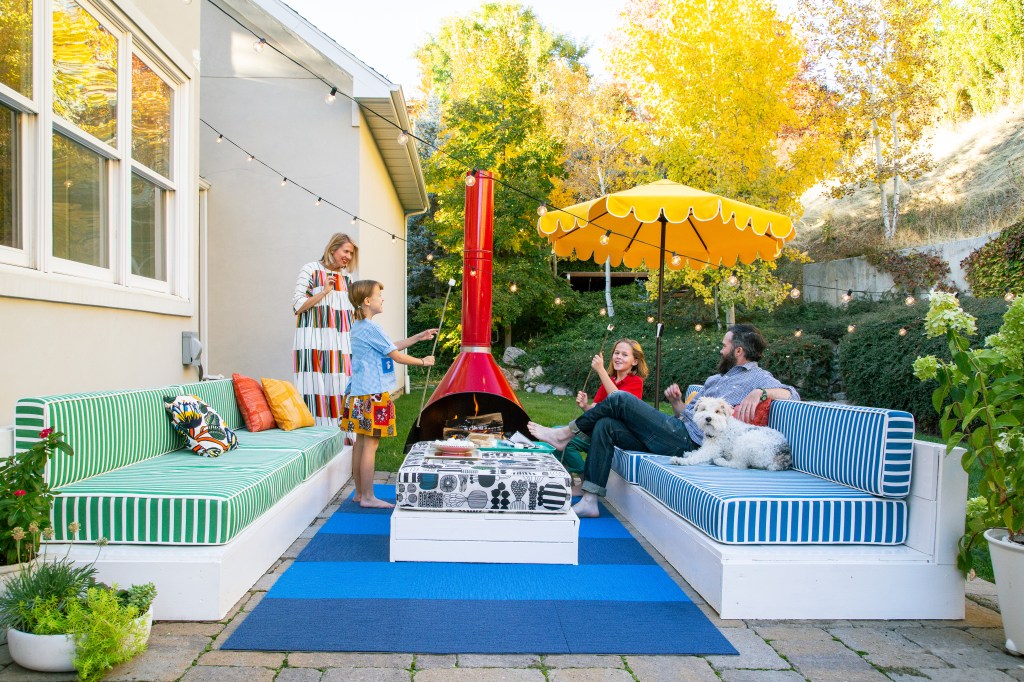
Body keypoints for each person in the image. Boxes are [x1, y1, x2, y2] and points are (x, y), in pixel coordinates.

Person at [529, 324, 800, 518]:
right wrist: (677, 404)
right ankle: (590, 500)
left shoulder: (756, 378)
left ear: (738, 351)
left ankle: (564, 434)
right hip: (679, 430)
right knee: (606, 425)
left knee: (620, 399)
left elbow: (794, 395)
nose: (721, 350)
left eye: (725, 346)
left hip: (690, 442)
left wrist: (761, 392)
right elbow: (688, 415)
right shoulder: (717, 379)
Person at [341, 280, 437, 509]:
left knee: (361, 444)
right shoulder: (373, 327)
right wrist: (424, 361)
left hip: (358, 393)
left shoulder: (359, 326)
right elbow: (396, 356)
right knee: (370, 446)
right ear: (367, 301)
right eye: (379, 295)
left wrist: (417, 337)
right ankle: (368, 497)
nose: (382, 299)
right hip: (373, 395)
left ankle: (359, 493)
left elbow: (388, 346)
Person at [293, 233, 358, 428]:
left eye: (351, 254)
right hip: (312, 342)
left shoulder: (348, 278)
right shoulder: (311, 270)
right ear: (333, 249)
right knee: (313, 389)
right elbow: (298, 305)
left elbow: (353, 313)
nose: (348, 256)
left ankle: (345, 443)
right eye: (345, 251)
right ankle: (315, 441)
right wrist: (323, 292)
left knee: (341, 389)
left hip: (341, 344)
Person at [560, 339, 648, 480]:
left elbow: (618, 399)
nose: (618, 357)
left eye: (625, 355)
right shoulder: (610, 380)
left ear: (635, 361)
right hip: (595, 429)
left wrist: (601, 370)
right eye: (616, 353)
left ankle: (583, 477)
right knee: (557, 435)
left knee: (567, 442)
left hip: (613, 434)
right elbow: (593, 411)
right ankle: (566, 478)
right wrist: (585, 406)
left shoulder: (636, 382)